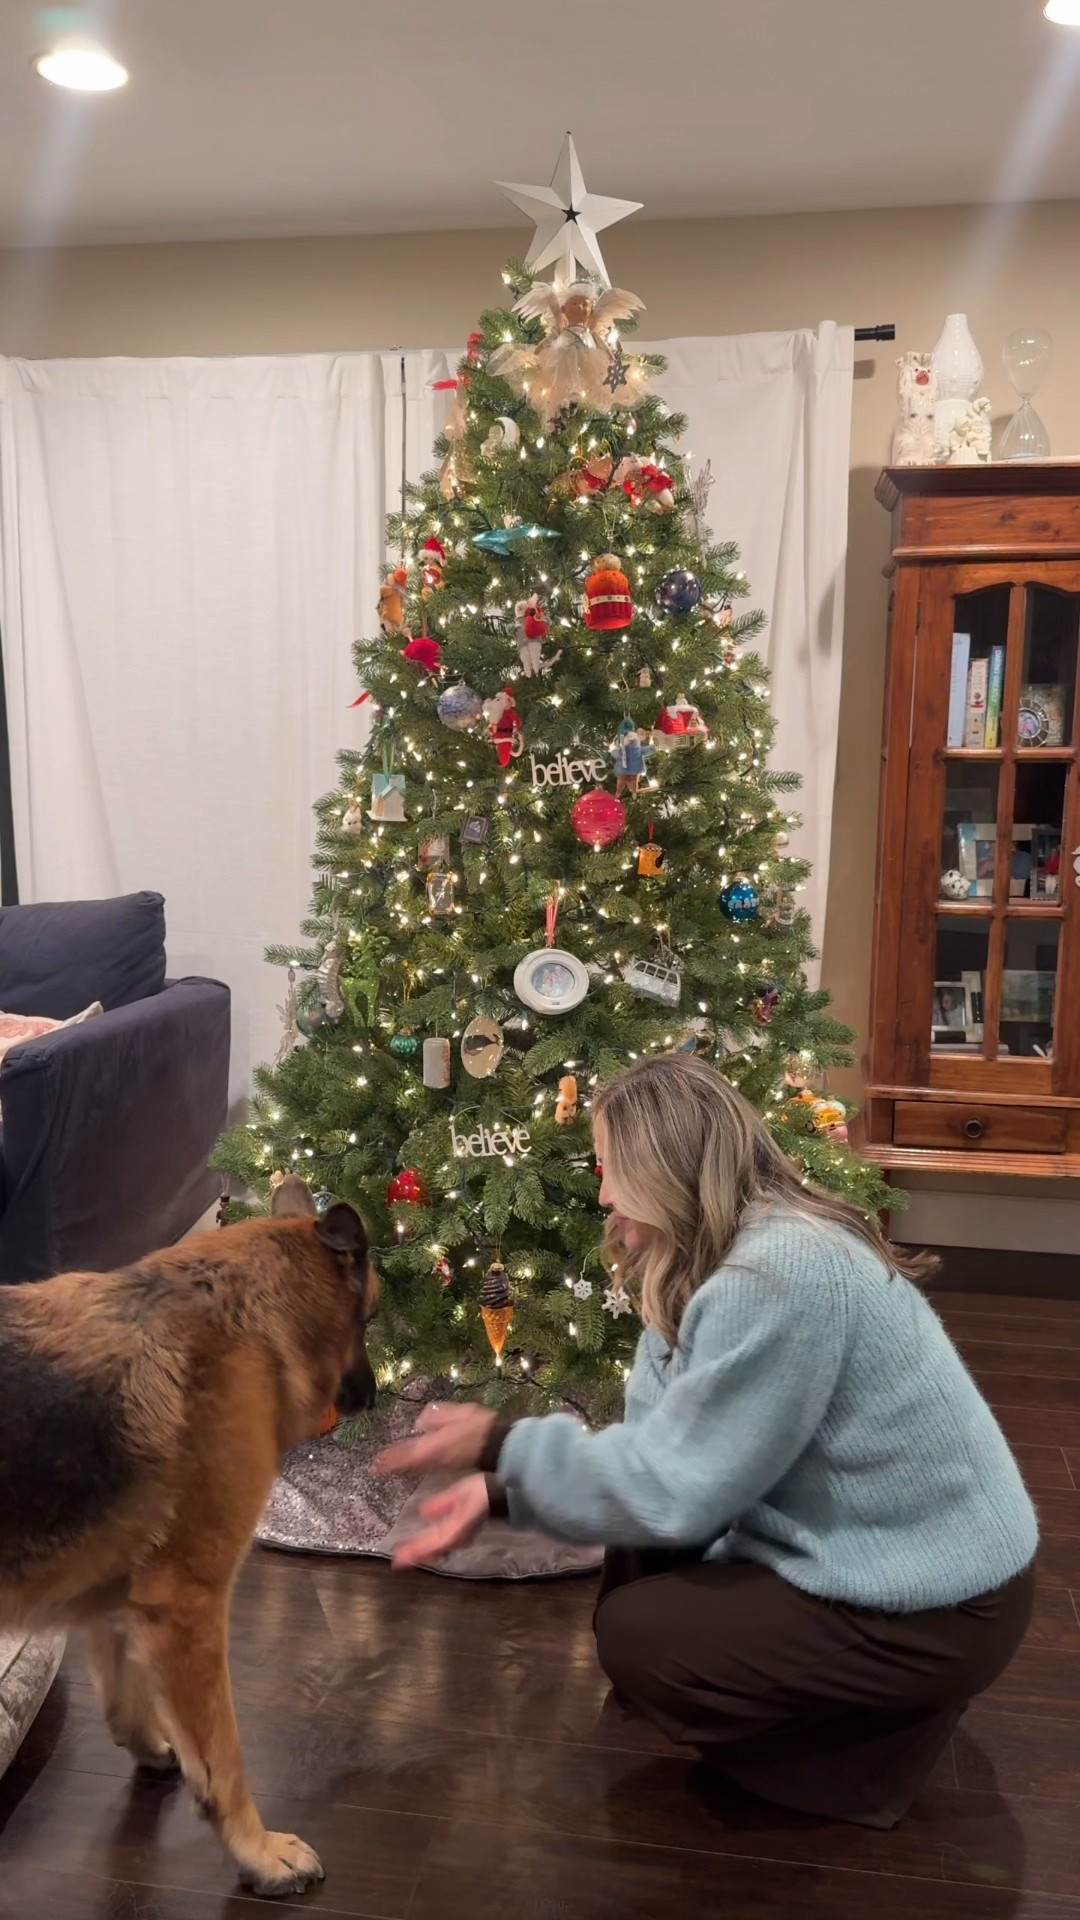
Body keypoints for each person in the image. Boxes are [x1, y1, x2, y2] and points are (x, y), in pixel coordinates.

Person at [375, 1053, 1037, 1828]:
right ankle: (866, 1713)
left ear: (665, 1168)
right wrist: (504, 1487)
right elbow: (659, 1448)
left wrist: (502, 1446)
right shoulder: (719, 1256)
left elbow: (673, 1490)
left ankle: (869, 1753)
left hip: (943, 1602)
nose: (603, 1194)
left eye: (611, 1168)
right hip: (897, 1559)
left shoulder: (782, 1272)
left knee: (639, 1637)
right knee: (637, 1555)